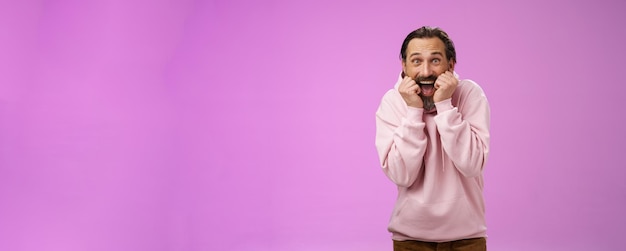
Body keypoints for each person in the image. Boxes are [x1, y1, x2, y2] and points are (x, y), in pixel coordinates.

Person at [375, 26, 491, 251]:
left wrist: (445, 105)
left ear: (451, 65)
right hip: (410, 239)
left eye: (435, 60)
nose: (426, 71)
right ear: (404, 66)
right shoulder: (392, 102)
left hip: (467, 238)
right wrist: (412, 111)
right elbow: (402, 175)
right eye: (416, 61)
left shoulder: (470, 94)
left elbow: (472, 165)